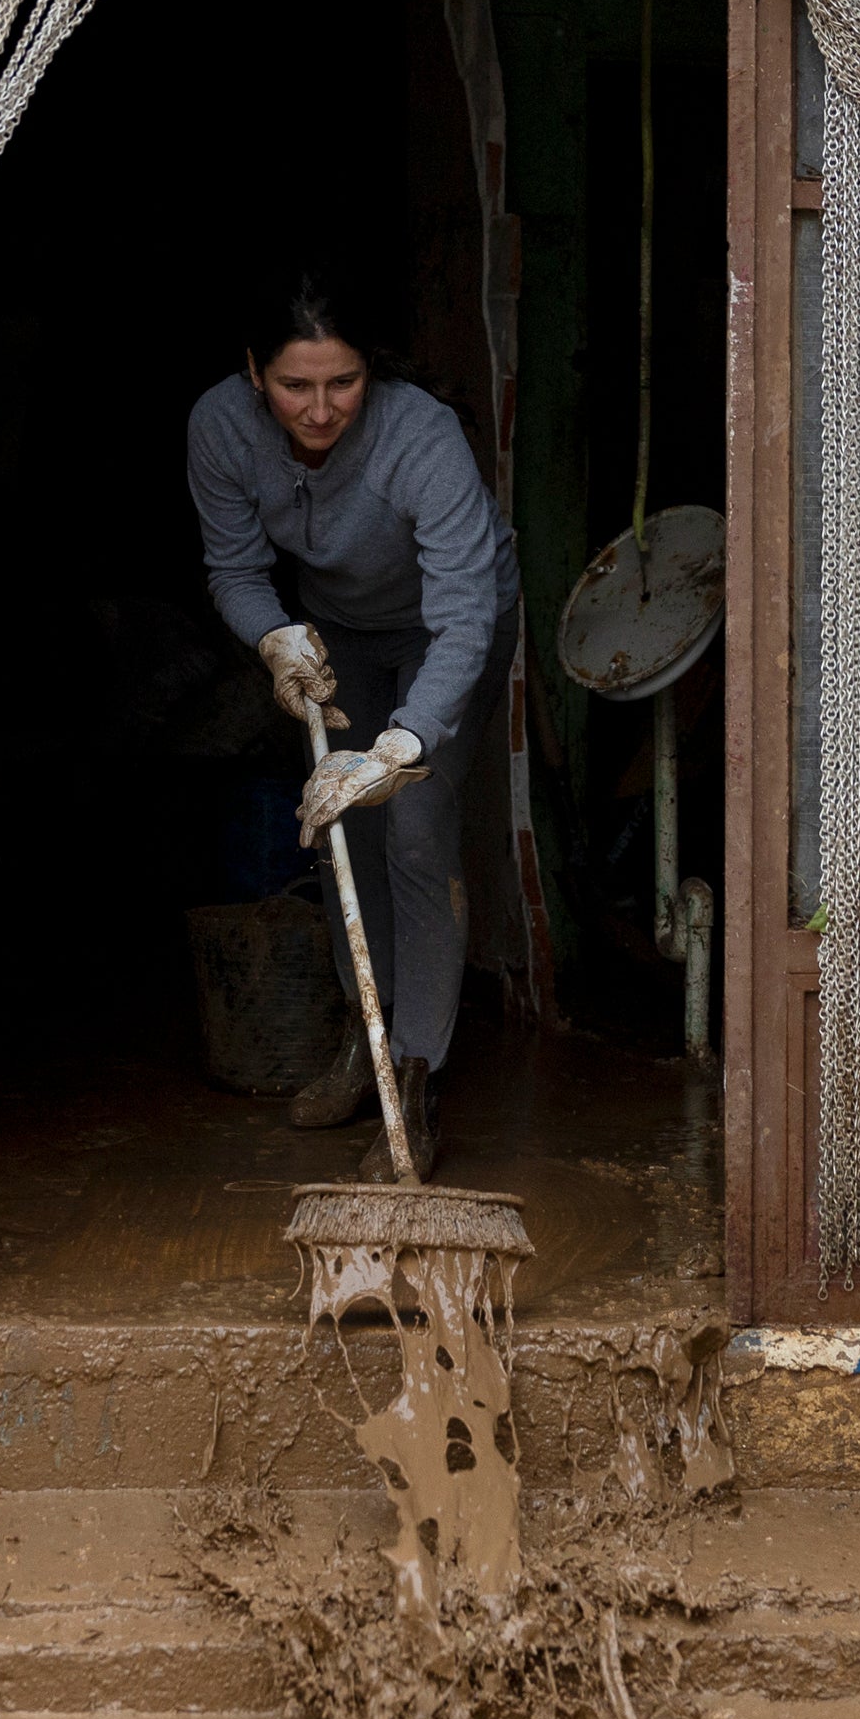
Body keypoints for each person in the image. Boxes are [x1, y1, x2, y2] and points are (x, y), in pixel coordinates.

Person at [186, 272, 520, 1181]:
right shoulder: (220, 426)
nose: (321, 408)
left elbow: (462, 615)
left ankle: (414, 1074)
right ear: (254, 372)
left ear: (369, 371)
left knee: (413, 826)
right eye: (296, 385)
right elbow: (234, 565)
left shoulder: (418, 433)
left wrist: (404, 744)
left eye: (343, 383)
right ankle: (362, 1034)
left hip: (451, 630)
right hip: (339, 634)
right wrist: (272, 637)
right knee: (344, 831)